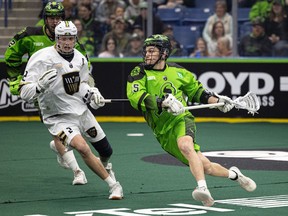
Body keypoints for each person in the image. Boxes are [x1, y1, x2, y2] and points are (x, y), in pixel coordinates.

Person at [126, 34, 257, 206]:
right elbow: (135, 96)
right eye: (146, 51)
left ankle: (202, 189)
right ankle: (235, 175)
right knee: (206, 166)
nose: (147, 55)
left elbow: (199, 93)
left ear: (164, 53)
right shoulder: (139, 72)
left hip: (181, 119)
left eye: (152, 51)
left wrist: (218, 102)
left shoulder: (179, 71)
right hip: (162, 132)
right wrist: (161, 102)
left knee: (186, 145)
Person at [5, 1, 117, 185]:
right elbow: (11, 56)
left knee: (74, 138)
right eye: (51, 17)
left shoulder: (73, 41)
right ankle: (77, 171)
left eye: (58, 17)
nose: (55, 21)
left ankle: (63, 151)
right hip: (42, 91)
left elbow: (84, 72)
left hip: (69, 97)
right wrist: (17, 80)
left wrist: (92, 91)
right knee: (57, 128)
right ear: (45, 18)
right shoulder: (29, 35)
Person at [19, 21, 124, 200]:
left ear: (75, 39)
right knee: (82, 147)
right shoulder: (40, 58)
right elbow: (24, 92)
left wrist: (92, 94)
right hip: (56, 116)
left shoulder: (80, 58)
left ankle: (100, 163)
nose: (67, 42)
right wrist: (39, 86)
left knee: (106, 151)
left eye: (70, 38)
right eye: (63, 38)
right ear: (56, 38)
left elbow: (82, 84)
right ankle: (114, 186)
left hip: (81, 111)